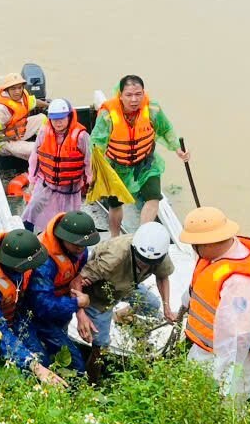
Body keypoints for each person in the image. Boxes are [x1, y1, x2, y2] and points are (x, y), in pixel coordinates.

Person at [178, 207, 250, 402]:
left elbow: (236, 339)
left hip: (238, 360)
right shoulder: (216, 256)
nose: (192, 249)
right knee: (194, 395)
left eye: (194, 244)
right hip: (207, 348)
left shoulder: (240, 284)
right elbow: (199, 287)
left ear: (208, 244)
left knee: (229, 410)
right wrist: (180, 309)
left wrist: (224, 381)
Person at [70, 221, 176, 383]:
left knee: (152, 305)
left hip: (128, 285)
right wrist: (81, 314)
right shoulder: (113, 258)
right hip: (100, 296)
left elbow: (162, 276)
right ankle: (92, 383)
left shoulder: (158, 254)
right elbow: (76, 282)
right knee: (101, 346)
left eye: (150, 263)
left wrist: (167, 308)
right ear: (134, 250)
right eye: (141, 260)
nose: (145, 264)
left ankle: (120, 316)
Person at [0, 228, 68, 388]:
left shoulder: (20, 262)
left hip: (13, 315)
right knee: (26, 371)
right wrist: (35, 367)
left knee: (42, 359)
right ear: (16, 265)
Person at [90, 75, 189, 236]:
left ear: (144, 93)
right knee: (115, 205)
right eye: (129, 95)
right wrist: (95, 169)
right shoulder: (108, 115)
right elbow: (96, 142)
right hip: (117, 166)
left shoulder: (152, 109)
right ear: (120, 95)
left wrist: (177, 148)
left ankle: (143, 235)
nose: (134, 99)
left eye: (138, 94)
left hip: (146, 164)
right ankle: (115, 238)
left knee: (153, 197)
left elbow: (166, 129)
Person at [21, 211, 100, 375]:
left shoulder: (80, 250)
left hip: (62, 308)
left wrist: (80, 312)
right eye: (76, 243)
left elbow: (77, 278)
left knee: (61, 349)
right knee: (71, 363)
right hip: (35, 315)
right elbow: (42, 305)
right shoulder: (44, 261)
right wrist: (77, 304)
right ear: (62, 237)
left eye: (83, 244)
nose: (81, 247)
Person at [21, 99, 93, 232]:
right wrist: (32, 181)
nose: (58, 122)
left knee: (68, 221)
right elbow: (35, 158)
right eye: (54, 119)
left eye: (61, 118)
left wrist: (90, 181)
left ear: (69, 116)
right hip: (46, 183)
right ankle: (27, 236)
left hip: (70, 188)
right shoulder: (44, 132)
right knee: (32, 210)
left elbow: (89, 161)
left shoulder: (81, 136)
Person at [0, 73, 48, 160]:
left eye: (19, 88)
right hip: (3, 141)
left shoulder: (22, 96)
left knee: (42, 118)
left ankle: (48, 141)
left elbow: (34, 102)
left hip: (18, 131)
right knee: (35, 149)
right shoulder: (0, 108)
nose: (17, 91)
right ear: (6, 90)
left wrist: (49, 105)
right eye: (13, 89)